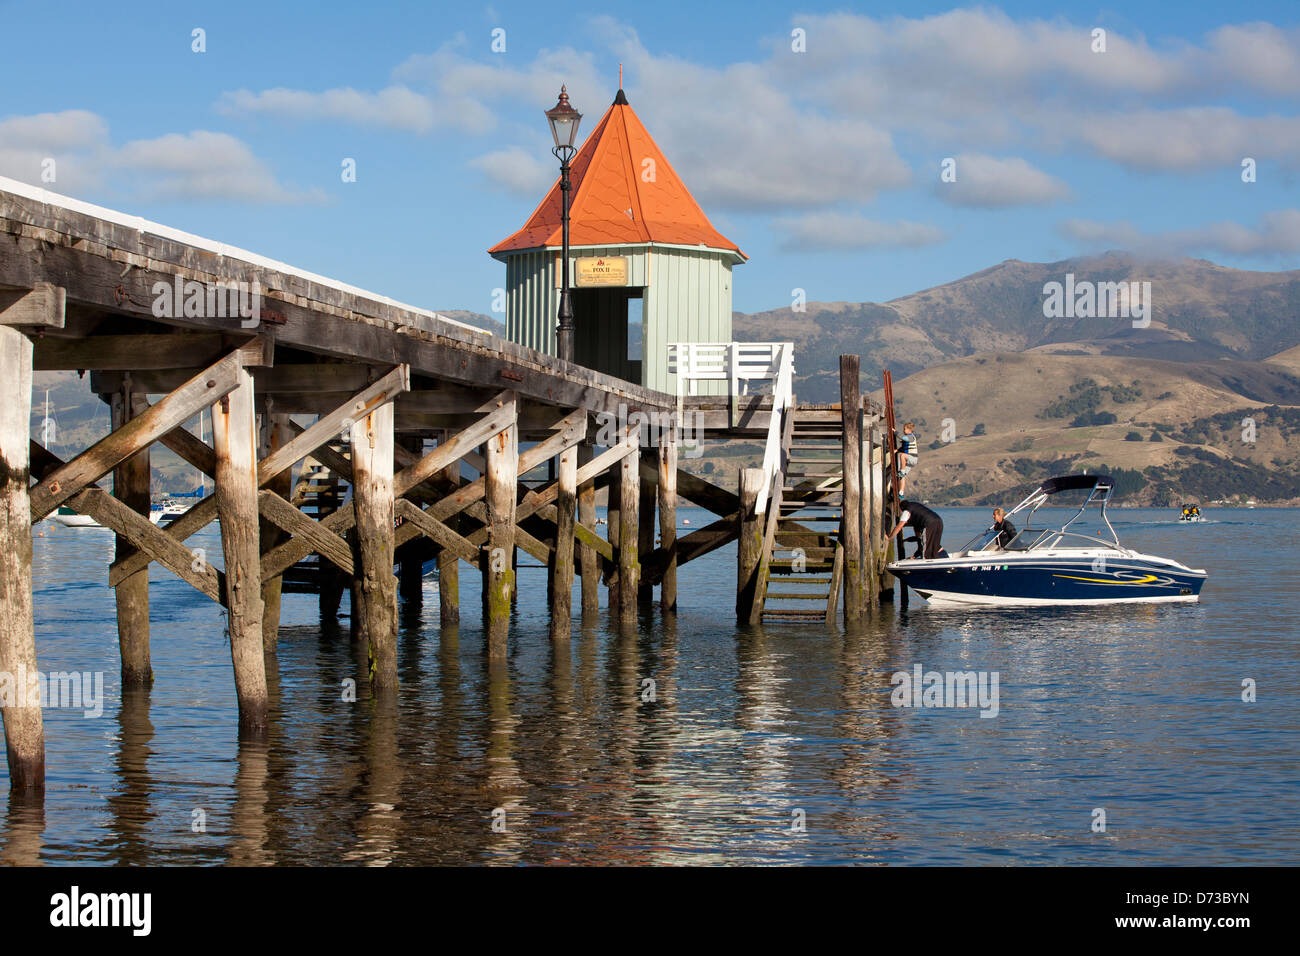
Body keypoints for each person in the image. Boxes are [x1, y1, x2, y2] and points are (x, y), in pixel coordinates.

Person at [894, 422, 919, 496]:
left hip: (913, 458)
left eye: (904, 429)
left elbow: (903, 438)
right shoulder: (907, 438)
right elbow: (904, 448)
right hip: (908, 460)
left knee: (902, 456)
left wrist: (895, 432)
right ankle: (901, 492)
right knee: (901, 476)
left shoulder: (911, 437)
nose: (903, 430)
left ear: (909, 430)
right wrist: (897, 450)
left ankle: (902, 471)